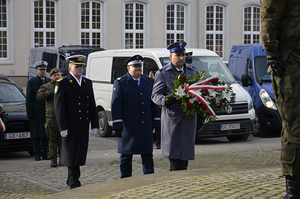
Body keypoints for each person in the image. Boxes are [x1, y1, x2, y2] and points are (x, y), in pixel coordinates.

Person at [260, 1, 300, 198]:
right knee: (294, 124)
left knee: (294, 125)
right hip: (290, 59)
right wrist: (271, 50)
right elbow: (269, 13)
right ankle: (294, 190)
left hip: (292, 56)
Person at [151, 41, 199, 171]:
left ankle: (183, 183)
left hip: (188, 119)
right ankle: (174, 184)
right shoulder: (163, 73)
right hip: (172, 119)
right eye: (178, 55)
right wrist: (165, 100)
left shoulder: (192, 72)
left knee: (185, 157)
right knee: (175, 157)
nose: (181, 58)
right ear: (171, 56)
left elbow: (200, 92)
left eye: (183, 54)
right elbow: (155, 95)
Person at [111, 55, 160, 178]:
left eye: (140, 66)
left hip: (145, 125)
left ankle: (149, 179)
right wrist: (117, 124)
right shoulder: (121, 82)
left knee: (147, 154)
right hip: (129, 127)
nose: (138, 69)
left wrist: (156, 122)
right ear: (128, 68)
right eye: (135, 66)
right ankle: (125, 180)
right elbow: (116, 104)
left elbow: (154, 103)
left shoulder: (149, 81)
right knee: (126, 155)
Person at [54, 55, 99, 189]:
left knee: (80, 151)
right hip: (70, 125)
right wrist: (62, 126)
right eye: (76, 67)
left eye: (81, 67)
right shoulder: (62, 83)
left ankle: (71, 178)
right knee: (71, 152)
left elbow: (92, 104)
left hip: (83, 124)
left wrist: (95, 124)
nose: (79, 69)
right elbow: (59, 107)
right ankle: (74, 181)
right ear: (70, 68)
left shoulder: (87, 83)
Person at [36, 68, 62, 167]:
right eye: (55, 75)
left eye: (59, 75)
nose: (57, 77)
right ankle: (53, 160)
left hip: (62, 117)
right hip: (51, 117)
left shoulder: (64, 85)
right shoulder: (46, 86)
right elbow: (39, 96)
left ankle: (63, 159)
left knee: (62, 140)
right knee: (53, 140)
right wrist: (49, 93)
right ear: (51, 76)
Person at [26, 61, 50, 161]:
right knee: (36, 134)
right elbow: (29, 98)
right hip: (36, 112)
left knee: (46, 133)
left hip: (46, 111)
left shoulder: (48, 81)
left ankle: (45, 153)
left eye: (44, 70)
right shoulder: (32, 82)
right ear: (37, 71)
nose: (42, 71)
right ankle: (37, 154)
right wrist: (29, 112)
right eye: (41, 70)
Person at [149, 70, 161, 149]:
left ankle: (158, 143)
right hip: (153, 109)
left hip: (158, 109)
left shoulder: (157, 83)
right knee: (154, 127)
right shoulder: (151, 83)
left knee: (158, 127)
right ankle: (155, 143)